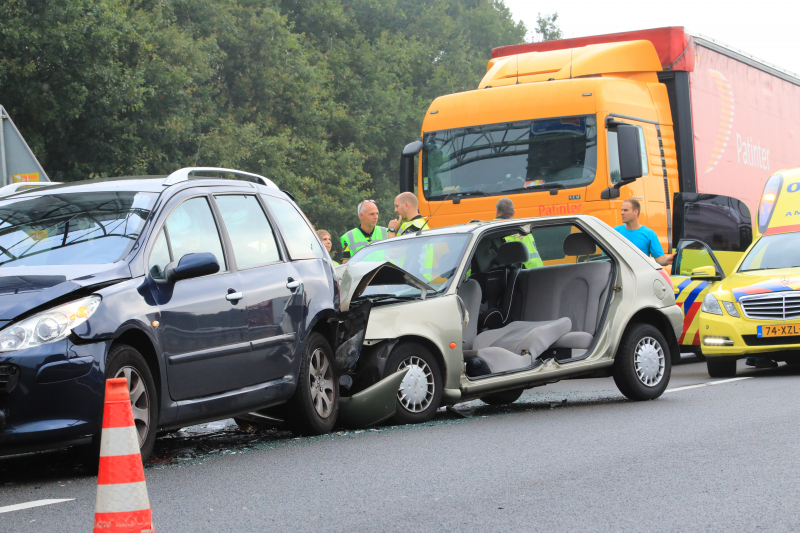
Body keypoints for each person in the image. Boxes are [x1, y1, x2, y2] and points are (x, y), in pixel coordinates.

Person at [615, 199, 673, 266]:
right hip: (620, 275)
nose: (622, 213)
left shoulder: (649, 234)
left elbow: (659, 259)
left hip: (640, 275)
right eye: (622, 210)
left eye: (625, 210)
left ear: (636, 212)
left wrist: (667, 260)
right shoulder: (615, 231)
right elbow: (605, 255)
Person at [495, 198, 543, 269]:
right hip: (526, 274)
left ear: (496, 212)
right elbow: (533, 262)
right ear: (514, 212)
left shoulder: (489, 230)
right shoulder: (523, 230)